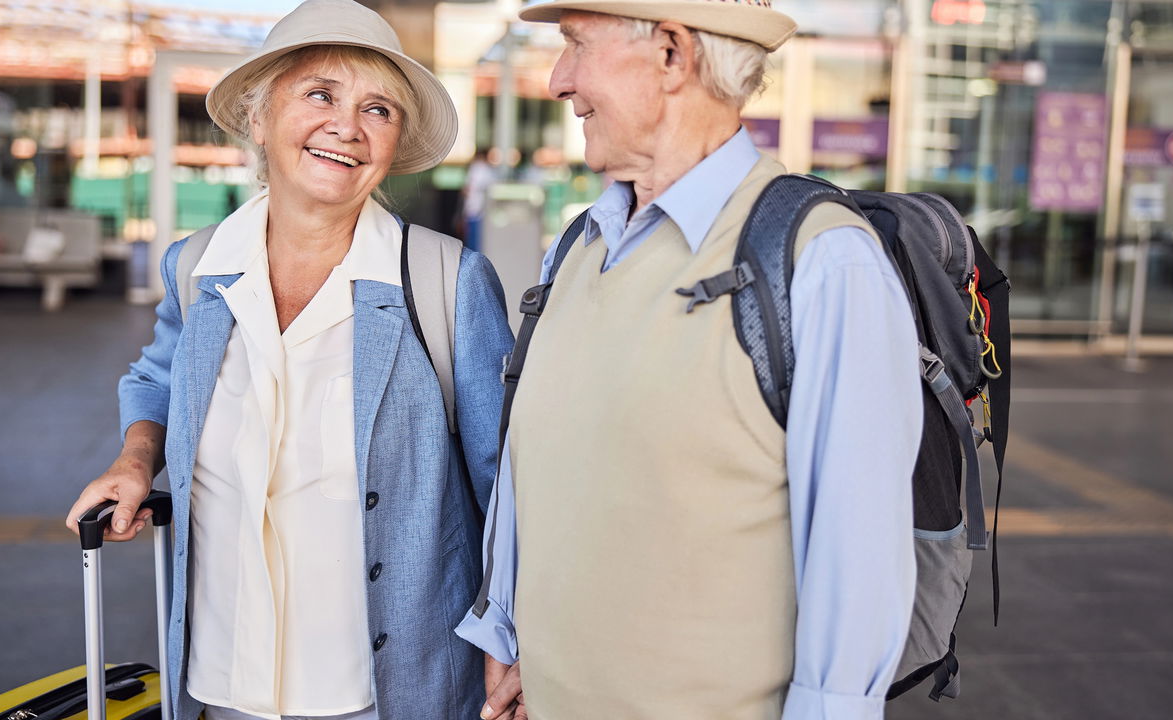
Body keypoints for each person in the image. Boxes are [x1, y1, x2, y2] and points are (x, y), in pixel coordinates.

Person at [456, 2, 922, 719]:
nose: (558, 80)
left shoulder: (821, 262)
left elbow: (857, 571)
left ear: (672, 54)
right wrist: (507, 633)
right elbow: (541, 468)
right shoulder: (576, 249)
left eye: (577, 45)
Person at [65, 1, 513, 719]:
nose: (348, 127)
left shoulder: (445, 282)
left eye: (379, 109)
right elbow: (157, 377)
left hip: (388, 692)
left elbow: (507, 485)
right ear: (258, 119)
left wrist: (514, 642)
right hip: (221, 683)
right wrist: (135, 459)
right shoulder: (199, 267)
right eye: (320, 95)